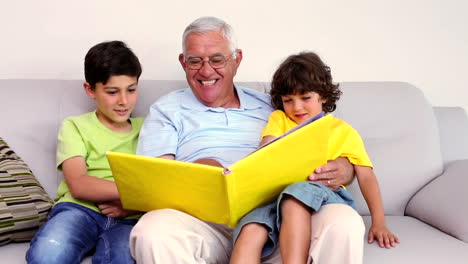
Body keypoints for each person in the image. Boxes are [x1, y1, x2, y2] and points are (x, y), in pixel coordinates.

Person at [130, 16, 363, 264]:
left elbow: (326, 141)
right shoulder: (166, 109)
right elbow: (157, 183)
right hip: (204, 225)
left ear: (237, 59)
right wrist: (201, 176)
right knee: (152, 231)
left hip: (277, 220)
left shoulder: (274, 105)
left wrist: (345, 169)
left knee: (342, 221)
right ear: (183, 62)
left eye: (217, 59)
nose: (206, 70)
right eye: (195, 61)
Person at [230, 52, 400, 264]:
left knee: (294, 198)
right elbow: (267, 147)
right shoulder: (280, 119)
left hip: (322, 193)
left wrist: (379, 222)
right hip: (275, 197)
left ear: (323, 96)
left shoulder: (343, 131)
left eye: (305, 98)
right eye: (288, 100)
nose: (297, 107)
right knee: (251, 229)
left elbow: (366, 177)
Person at [26, 40, 143, 264]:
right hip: (80, 211)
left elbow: (162, 184)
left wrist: (133, 205)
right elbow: (79, 184)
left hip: (130, 218)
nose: (124, 101)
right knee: (48, 255)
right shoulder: (75, 126)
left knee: (121, 259)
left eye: (131, 90)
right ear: (90, 89)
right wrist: (134, 193)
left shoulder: (148, 128)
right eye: (112, 92)